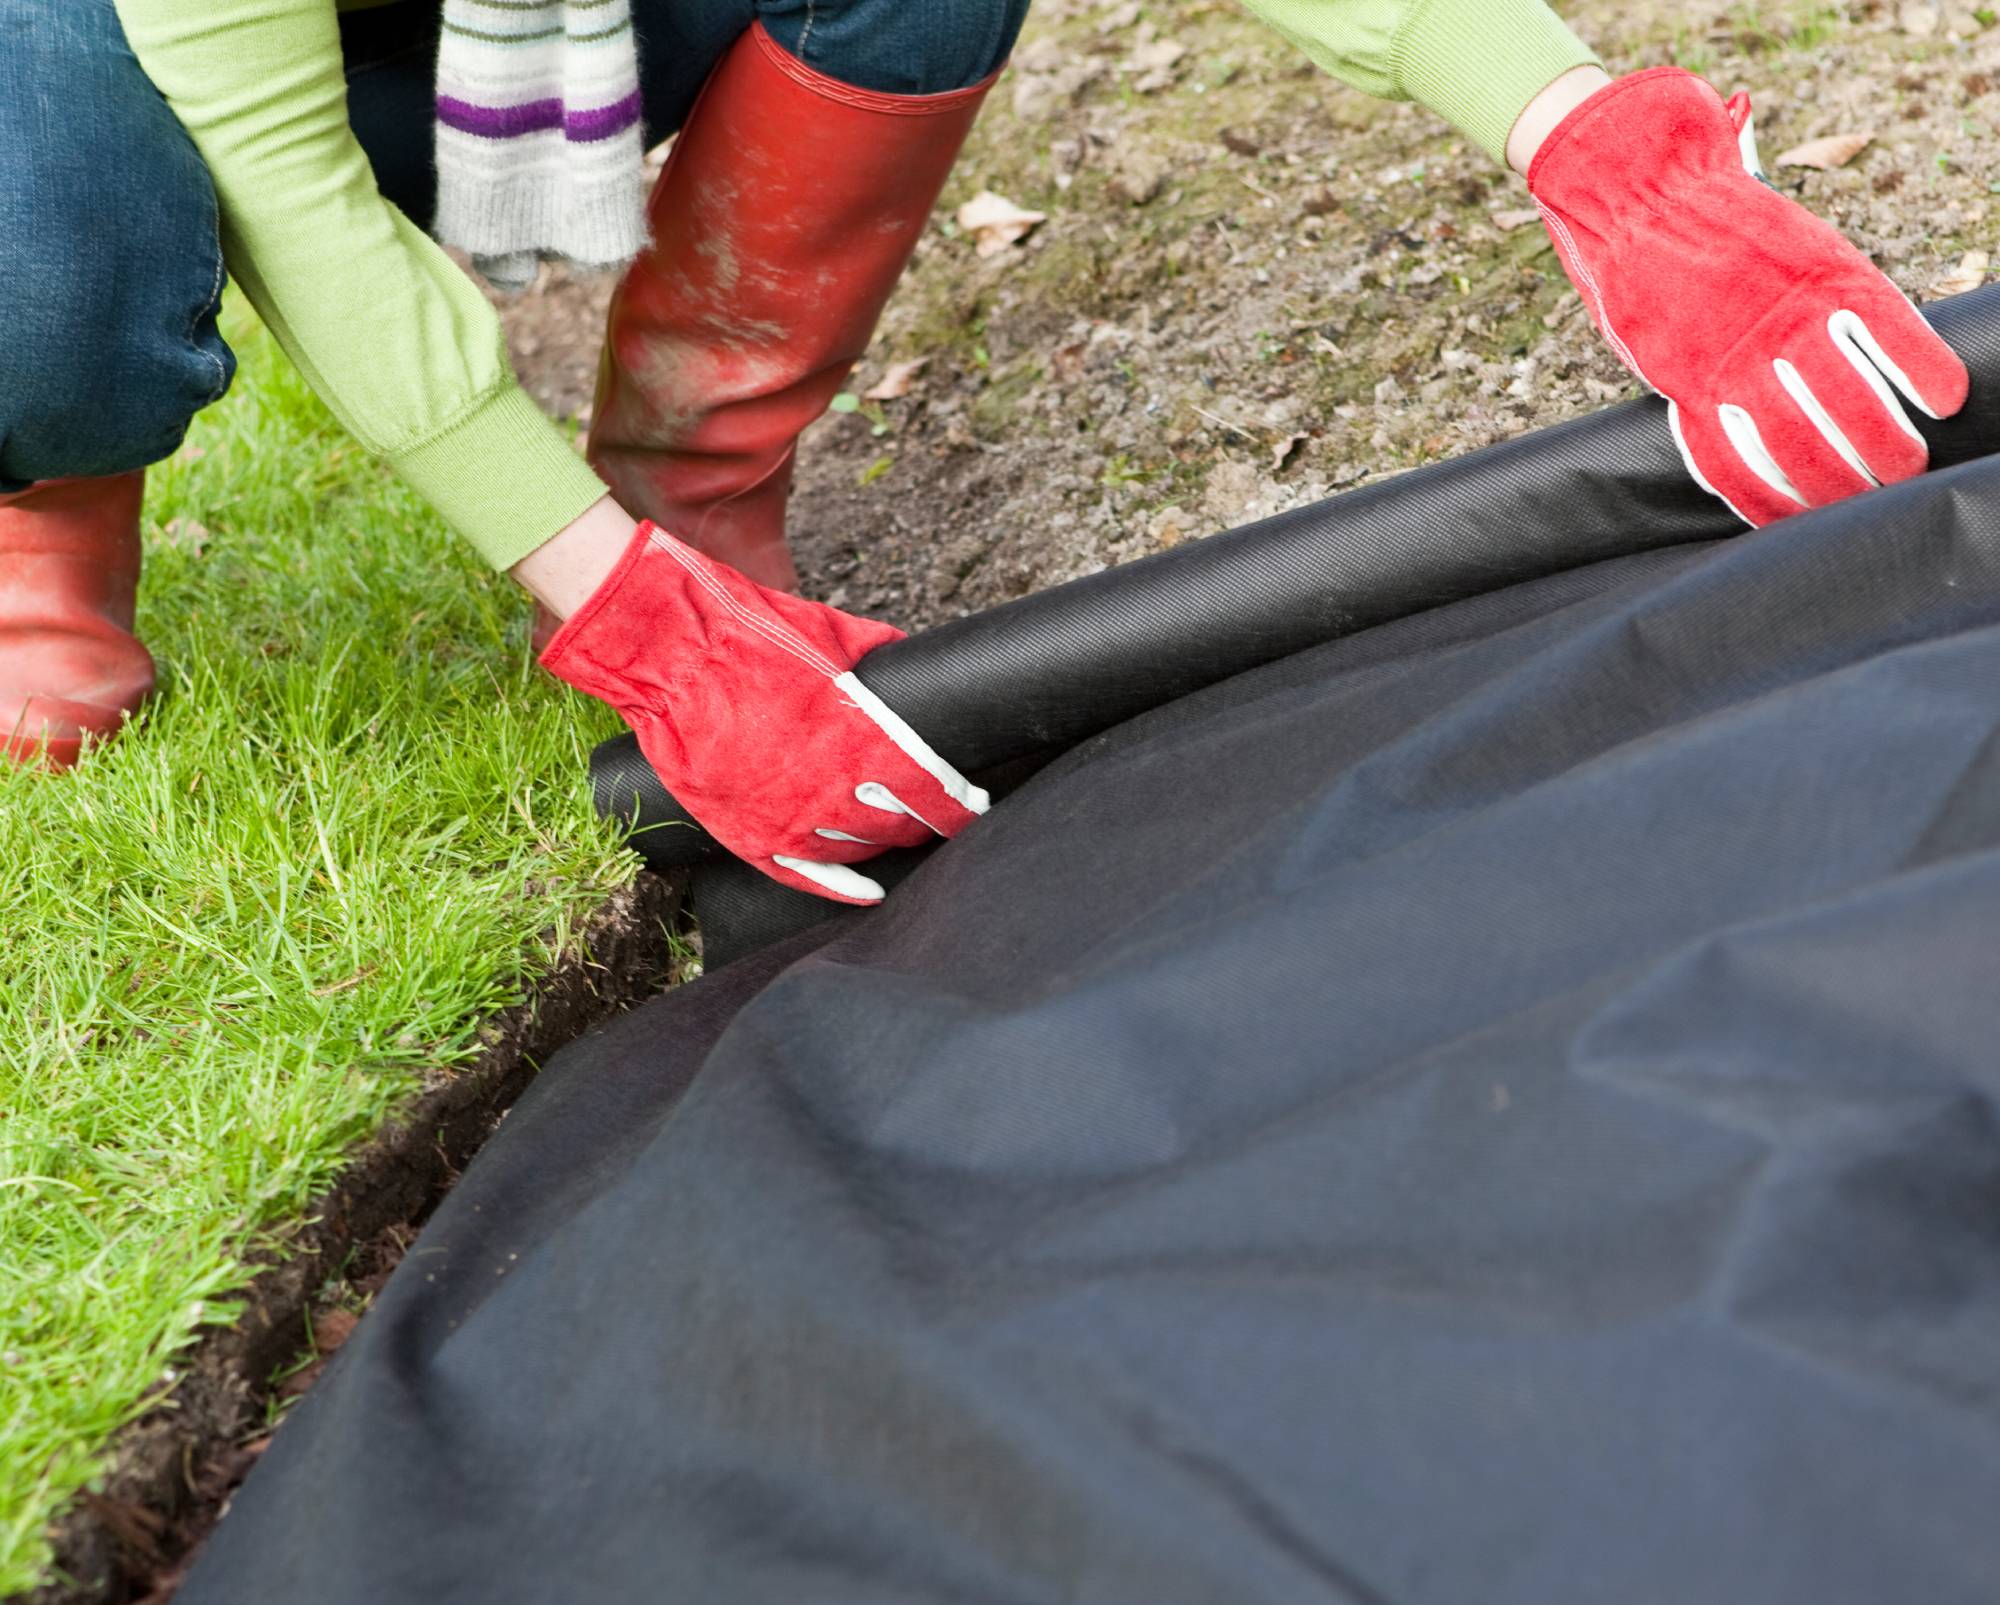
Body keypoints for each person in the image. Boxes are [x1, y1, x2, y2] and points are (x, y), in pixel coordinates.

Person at [0, 1, 1969, 905]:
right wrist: (623, 623)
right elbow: (311, 217)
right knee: (44, 238)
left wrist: (1598, 151)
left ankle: (700, 483)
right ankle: (45, 525)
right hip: (122, 58)